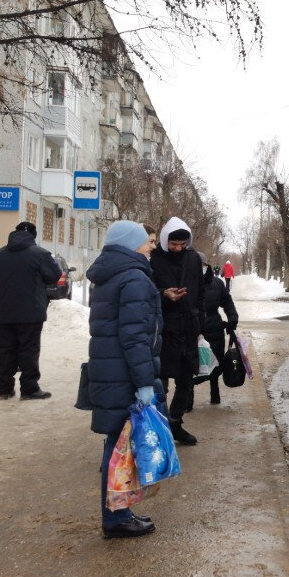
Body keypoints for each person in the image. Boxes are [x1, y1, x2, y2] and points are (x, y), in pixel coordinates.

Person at [86, 220, 162, 539]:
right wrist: (144, 382)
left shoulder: (111, 275)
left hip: (111, 371)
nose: (150, 246)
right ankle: (115, 518)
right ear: (131, 245)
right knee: (118, 448)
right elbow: (134, 336)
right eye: (145, 242)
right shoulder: (133, 277)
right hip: (124, 374)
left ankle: (119, 511)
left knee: (116, 446)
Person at [0, 221, 61, 400]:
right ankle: (29, 388)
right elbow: (54, 275)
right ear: (33, 235)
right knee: (29, 350)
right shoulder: (40, 254)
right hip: (31, 313)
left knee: (6, 350)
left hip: (4, 313)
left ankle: (4, 388)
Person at [149, 217, 205, 445]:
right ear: (165, 240)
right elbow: (147, 289)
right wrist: (164, 294)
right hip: (164, 328)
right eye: (173, 244)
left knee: (186, 380)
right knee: (160, 381)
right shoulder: (154, 259)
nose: (178, 248)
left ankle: (175, 423)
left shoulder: (192, 258)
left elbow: (200, 290)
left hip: (188, 328)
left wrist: (199, 319)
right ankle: (158, 426)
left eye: (182, 244)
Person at [198, 251, 238, 406]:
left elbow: (227, 302)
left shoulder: (217, 283)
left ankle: (215, 393)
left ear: (206, 265)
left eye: (201, 265)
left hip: (214, 327)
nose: (199, 268)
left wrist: (232, 318)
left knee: (217, 363)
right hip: (193, 329)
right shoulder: (186, 283)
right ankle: (188, 398)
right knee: (191, 366)